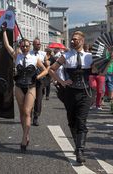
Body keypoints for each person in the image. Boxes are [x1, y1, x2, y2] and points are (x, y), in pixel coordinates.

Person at [49, 31, 93, 164]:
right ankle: (77, 144)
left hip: (85, 92)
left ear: (82, 41)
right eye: (72, 39)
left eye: (76, 39)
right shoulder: (66, 55)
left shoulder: (89, 57)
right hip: (70, 93)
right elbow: (51, 69)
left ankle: (80, 150)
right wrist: (62, 82)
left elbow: (100, 72)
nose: (73, 41)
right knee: (72, 120)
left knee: (81, 120)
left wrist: (108, 60)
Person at [2, 27, 47, 152]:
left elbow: (45, 70)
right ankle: (26, 134)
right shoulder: (17, 56)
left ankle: (23, 138)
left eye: (27, 46)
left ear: (30, 47)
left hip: (31, 87)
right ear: (20, 47)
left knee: (27, 112)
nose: (25, 48)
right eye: (22, 46)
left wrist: (38, 76)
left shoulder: (35, 58)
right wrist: (4, 31)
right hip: (19, 87)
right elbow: (6, 45)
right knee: (22, 112)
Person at [30, 38, 47, 126]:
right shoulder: (29, 54)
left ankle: (36, 117)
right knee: (30, 98)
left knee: (39, 99)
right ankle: (29, 115)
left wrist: (44, 73)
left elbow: (47, 66)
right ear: (33, 45)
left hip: (40, 78)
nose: (39, 45)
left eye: (39, 44)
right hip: (31, 78)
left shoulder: (43, 54)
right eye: (37, 44)